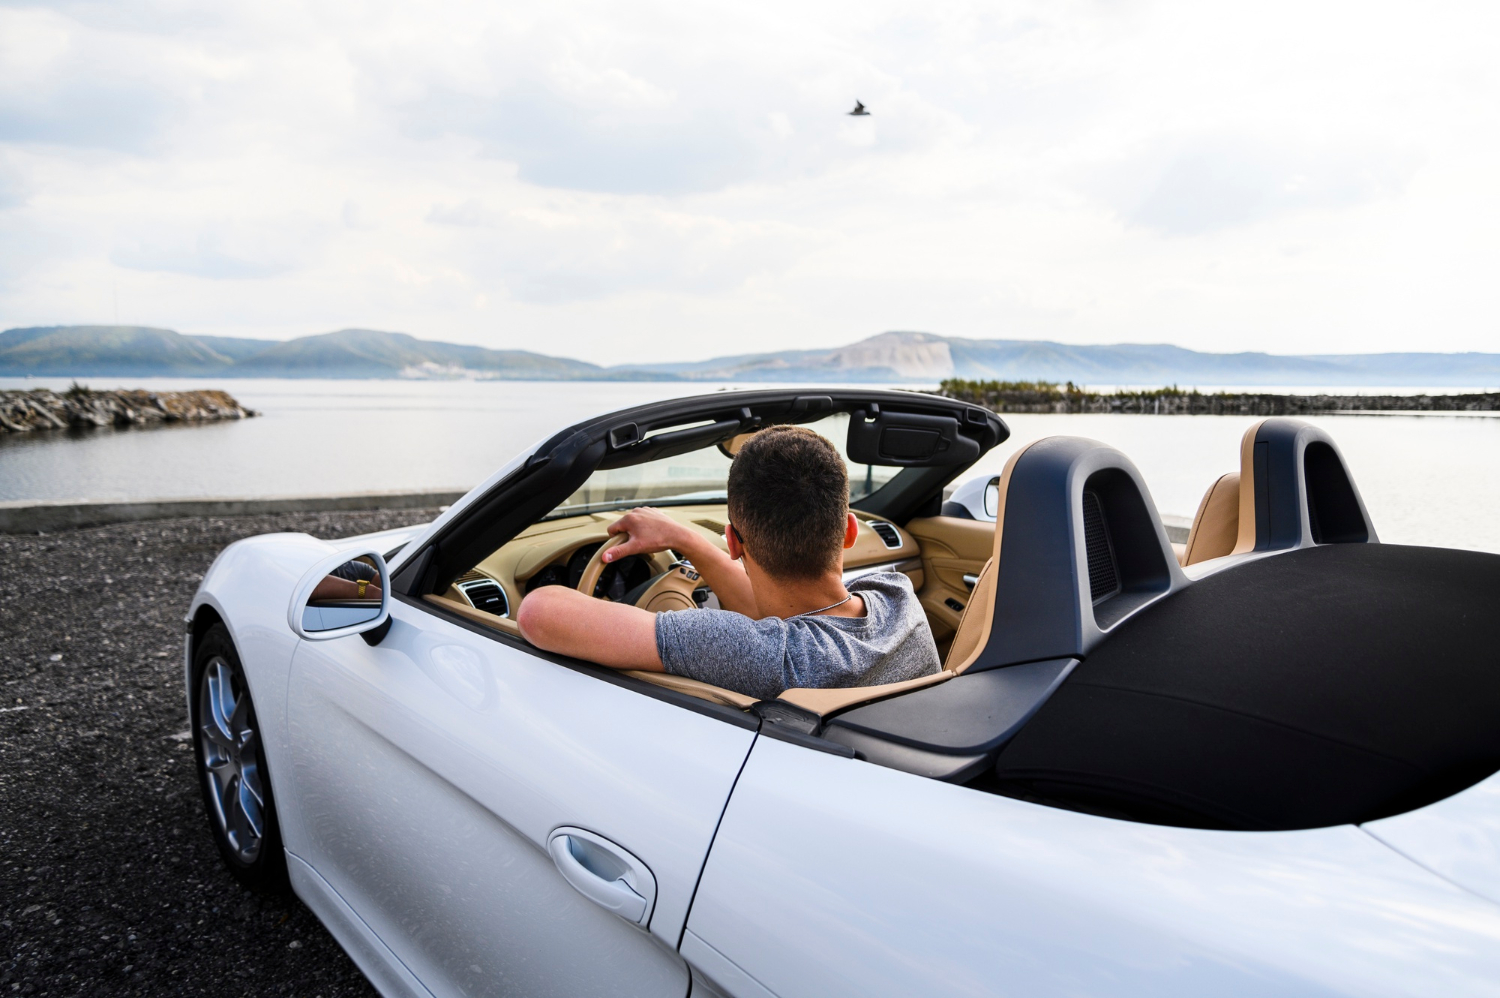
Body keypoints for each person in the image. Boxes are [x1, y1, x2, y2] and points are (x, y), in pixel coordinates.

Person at [516, 424, 941, 701]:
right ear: (849, 531)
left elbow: (539, 612)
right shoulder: (898, 599)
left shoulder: (759, 655)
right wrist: (686, 539)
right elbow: (781, 614)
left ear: (734, 542)